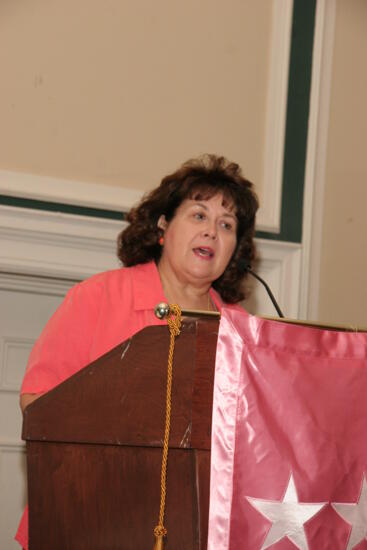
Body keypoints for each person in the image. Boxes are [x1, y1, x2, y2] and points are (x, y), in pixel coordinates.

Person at [15, 153, 259, 548]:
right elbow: (38, 403)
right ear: (163, 226)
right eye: (198, 216)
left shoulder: (242, 332)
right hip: (90, 516)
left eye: (226, 225)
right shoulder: (97, 297)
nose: (212, 232)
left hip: (197, 526)